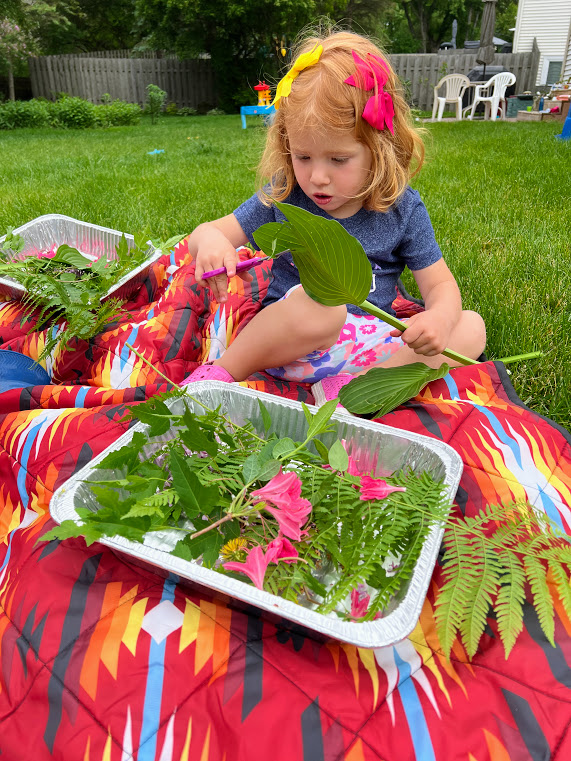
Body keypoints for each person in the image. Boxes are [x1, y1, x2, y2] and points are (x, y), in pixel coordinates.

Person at [182, 30, 486, 404]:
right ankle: (222, 374)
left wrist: (439, 318)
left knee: (471, 327)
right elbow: (207, 232)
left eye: (338, 160)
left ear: (380, 149)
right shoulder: (286, 193)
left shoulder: (402, 207)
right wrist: (211, 241)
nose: (317, 177)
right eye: (303, 156)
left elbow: (440, 286)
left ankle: (354, 394)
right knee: (325, 308)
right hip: (286, 343)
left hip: (367, 354)